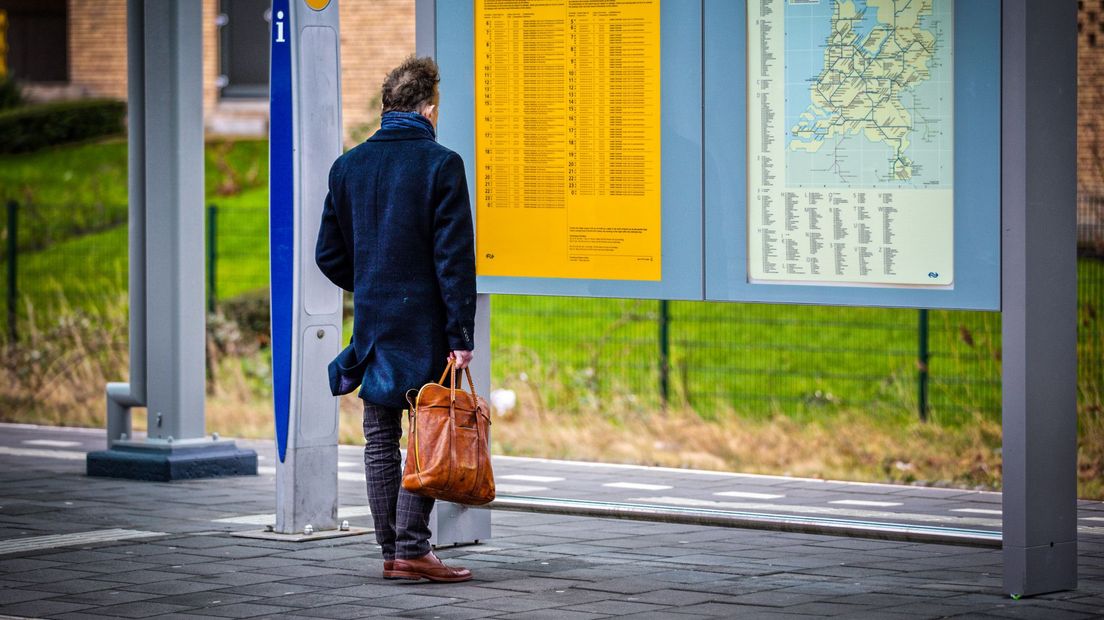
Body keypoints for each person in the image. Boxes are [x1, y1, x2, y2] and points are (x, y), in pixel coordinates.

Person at [315, 56, 476, 583]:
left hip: (374, 324)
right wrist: (460, 335)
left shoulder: (348, 167)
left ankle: (393, 550)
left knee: (379, 434)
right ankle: (411, 548)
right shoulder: (441, 164)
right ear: (429, 109)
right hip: (426, 324)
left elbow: (328, 255)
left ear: (389, 106)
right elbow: (453, 261)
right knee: (428, 430)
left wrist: (372, 283)